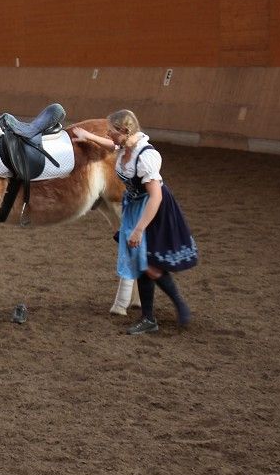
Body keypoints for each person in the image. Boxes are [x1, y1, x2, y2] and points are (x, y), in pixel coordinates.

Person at [72, 111, 197, 334]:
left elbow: (156, 196)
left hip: (152, 209)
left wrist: (139, 229)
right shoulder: (125, 146)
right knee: (141, 262)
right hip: (135, 206)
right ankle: (150, 317)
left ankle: (176, 305)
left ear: (124, 131)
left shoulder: (146, 156)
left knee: (148, 263)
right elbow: (112, 146)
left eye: (111, 130)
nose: (108, 133)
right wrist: (88, 137)